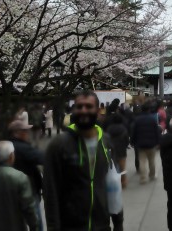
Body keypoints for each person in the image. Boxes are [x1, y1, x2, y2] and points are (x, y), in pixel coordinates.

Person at [43, 90, 117, 231]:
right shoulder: (58, 145)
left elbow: (113, 185)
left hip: (101, 225)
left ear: (97, 110)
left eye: (89, 106)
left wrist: (118, 223)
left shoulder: (106, 142)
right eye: (79, 106)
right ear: (73, 110)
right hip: (70, 225)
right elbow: (50, 192)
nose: (83, 110)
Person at [9, 120, 45, 231]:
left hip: (11, 187)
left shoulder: (8, 145)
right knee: (35, 220)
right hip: (28, 187)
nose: (27, 133)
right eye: (25, 131)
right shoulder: (23, 148)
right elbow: (42, 158)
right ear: (17, 133)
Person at [131, 103, 161, 184]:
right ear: (149, 110)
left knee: (142, 161)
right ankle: (152, 175)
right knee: (151, 161)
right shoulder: (152, 119)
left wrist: (132, 141)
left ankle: (143, 178)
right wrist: (158, 142)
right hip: (151, 144)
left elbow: (134, 132)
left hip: (140, 144)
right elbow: (156, 132)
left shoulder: (137, 119)